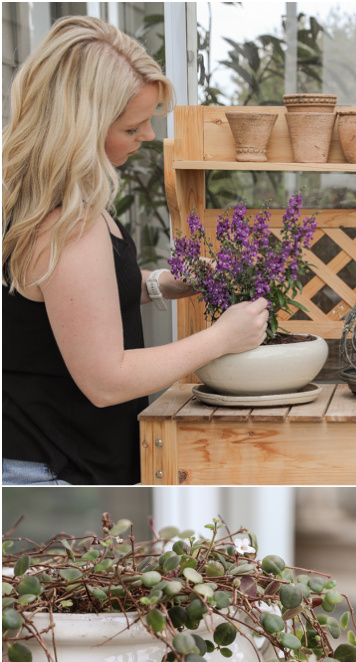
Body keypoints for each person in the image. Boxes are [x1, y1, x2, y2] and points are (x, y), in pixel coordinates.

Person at [2, 16, 268, 485]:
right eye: (132, 127)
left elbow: (65, 306)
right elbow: (107, 380)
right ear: (80, 127)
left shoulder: (34, 199)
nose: (147, 136)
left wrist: (160, 283)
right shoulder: (67, 223)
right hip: (50, 470)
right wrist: (223, 337)